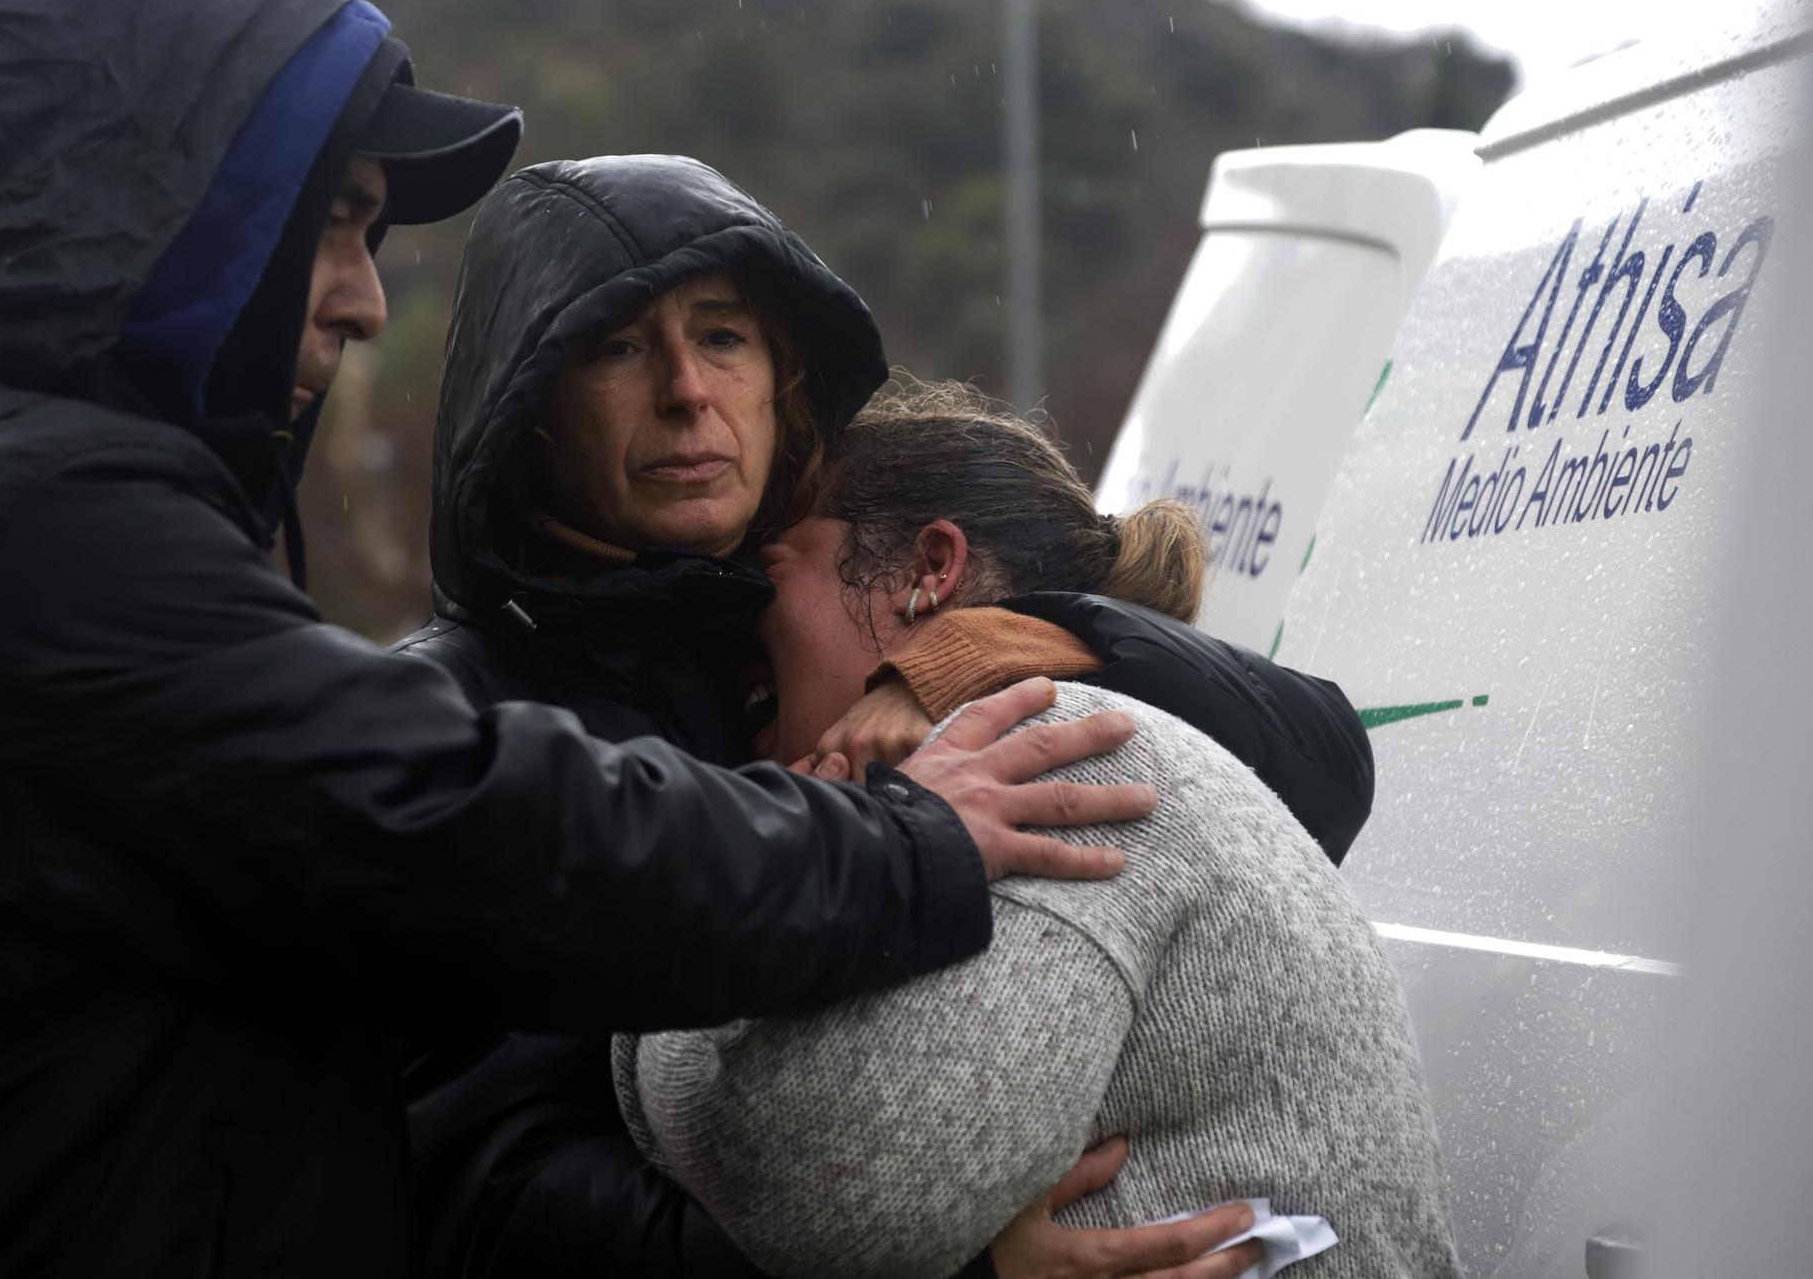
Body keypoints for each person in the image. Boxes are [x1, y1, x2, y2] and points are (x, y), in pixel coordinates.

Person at [0, 0, 1160, 1276]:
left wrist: (971, 652)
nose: (364, 295)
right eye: (334, 217)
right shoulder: (18, 513)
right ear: (156, 198)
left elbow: (1299, 733)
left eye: (729, 338)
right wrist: (904, 851)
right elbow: (470, 833)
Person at [397, 155, 1375, 1277]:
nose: (683, 390)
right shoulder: (447, 716)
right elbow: (483, 1199)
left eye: (722, 337)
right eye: (617, 345)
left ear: (777, 379)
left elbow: (1317, 762)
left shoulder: (829, 646)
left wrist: (984, 649)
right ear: (527, 409)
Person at [614, 383, 1461, 1279]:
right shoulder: (1043, 749)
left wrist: (700, 902)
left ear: (928, 570)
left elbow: (825, 1200)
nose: (733, 630)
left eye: (771, 568)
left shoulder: (1063, 755)